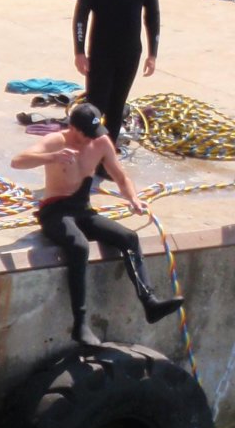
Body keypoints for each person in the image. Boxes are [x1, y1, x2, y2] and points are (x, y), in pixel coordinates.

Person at [11, 102, 182, 349]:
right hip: (56, 210)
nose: (93, 139)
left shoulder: (101, 142)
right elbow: (17, 161)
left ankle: (150, 302)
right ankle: (80, 324)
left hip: (83, 209)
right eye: (87, 134)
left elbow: (121, 176)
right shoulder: (56, 141)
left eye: (96, 132)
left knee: (129, 238)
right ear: (73, 129)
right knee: (79, 247)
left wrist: (133, 199)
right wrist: (52, 157)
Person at [72, 0, 159, 151]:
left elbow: (153, 18)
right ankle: (86, 156)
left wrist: (152, 54)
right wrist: (79, 51)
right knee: (95, 108)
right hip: (101, 53)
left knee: (116, 107)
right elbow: (81, 15)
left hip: (130, 55)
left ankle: (105, 161)